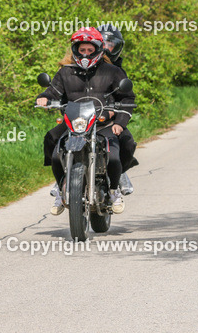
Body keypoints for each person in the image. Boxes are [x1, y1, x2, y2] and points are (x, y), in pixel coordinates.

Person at [36, 27, 135, 216]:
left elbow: (127, 99)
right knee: (54, 149)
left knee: (116, 154)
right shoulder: (66, 72)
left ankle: (114, 190)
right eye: (82, 50)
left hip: (103, 123)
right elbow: (53, 91)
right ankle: (61, 186)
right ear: (75, 50)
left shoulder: (112, 71)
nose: (85, 54)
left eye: (90, 50)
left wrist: (119, 122)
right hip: (75, 123)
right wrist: (44, 98)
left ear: (98, 50)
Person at [98, 23, 137, 195]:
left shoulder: (117, 70)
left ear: (117, 47)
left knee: (127, 143)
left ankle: (120, 171)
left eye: (110, 45)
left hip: (110, 118)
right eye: (103, 44)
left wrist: (120, 120)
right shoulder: (81, 67)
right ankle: (62, 179)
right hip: (83, 118)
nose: (106, 49)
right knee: (55, 139)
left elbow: (127, 97)